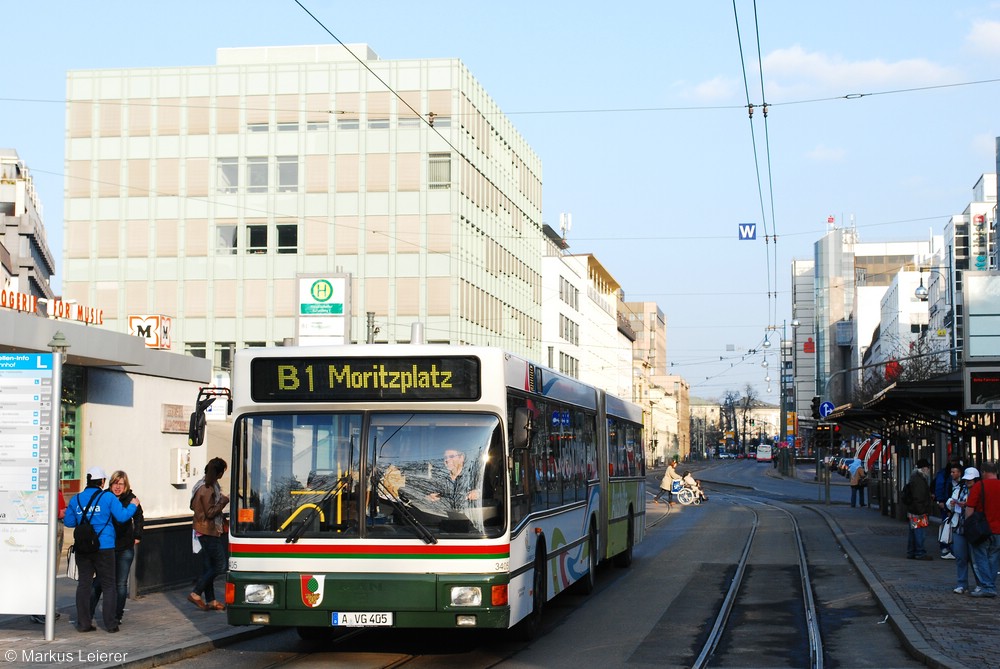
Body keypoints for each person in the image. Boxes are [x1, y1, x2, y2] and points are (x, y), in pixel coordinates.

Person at [64, 466, 140, 633]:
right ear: (103, 481)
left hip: (83, 548)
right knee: (108, 585)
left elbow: (69, 522)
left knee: (84, 584)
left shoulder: (76, 499)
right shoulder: (107, 497)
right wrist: (133, 506)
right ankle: (111, 624)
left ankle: (83, 624)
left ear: (87, 480)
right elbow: (122, 517)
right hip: (104, 547)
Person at [90, 470, 144, 626]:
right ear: (110, 484)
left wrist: (137, 535)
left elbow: (139, 517)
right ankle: (88, 612)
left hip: (125, 546)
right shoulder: (104, 497)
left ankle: (116, 615)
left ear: (126, 485)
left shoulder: (131, 499)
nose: (118, 487)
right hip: (106, 546)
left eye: (121, 484)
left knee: (120, 584)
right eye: (115, 483)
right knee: (99, 581)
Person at [189, 457, 230, 611]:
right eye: (222, 472)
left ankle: (211, 600)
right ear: (218, 473)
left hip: (204, 530)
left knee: (209, 567)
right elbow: (210, 512)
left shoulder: (206, 485)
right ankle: (196, 592)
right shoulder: (207, 488)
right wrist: (224, 501)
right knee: (220, 566)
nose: (222, 476)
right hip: (208, 531)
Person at [30, 490, 67, 625]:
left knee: (52, 572)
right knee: (45, 571)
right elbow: (38, 505)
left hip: (57, 524)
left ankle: (45, 608)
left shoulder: (54, 483)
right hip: (50, 524)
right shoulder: (42, 482)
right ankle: (38, 610)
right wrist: (58, 513)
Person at [965, 460, 1000, 598]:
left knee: (981, 557)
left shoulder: (980, 486)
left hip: (983, 529)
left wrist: (968, 525)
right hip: (998, 529)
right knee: (994, 558)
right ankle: (990, 584)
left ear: (983, 472)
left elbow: (970, 508)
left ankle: (987, 586)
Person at [946, 467, 980, 594]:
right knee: (960, 557)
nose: (968, 482)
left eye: (970, 480)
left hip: (974, 529)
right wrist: (952, 504)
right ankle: (962, 583)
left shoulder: (979, 490)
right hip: (959, 527)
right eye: (967, 480)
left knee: (976, 559)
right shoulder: (960, 489)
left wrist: (966, 505)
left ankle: (980, 583)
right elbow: (950, 501)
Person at [904, 458, 935, 560]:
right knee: (919, 533)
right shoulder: (919, 479)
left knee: (914, 532)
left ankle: (912, 551)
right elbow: (919, 496)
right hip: (919, 511)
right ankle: (919, 552)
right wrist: (922, 511)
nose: (929, 470)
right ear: (924, 468)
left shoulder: (915, 477)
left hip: (914, 510)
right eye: (928, 468)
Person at [935, 462, 958, 558]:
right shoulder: (944, 476)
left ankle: (949, 546)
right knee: (947, 525)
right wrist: (941, 500)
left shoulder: (943, 475)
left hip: (949, 503)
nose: (952, 474)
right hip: (947, 503)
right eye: (952, 472)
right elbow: (940, 487)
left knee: (949, 525)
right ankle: (946, 545)